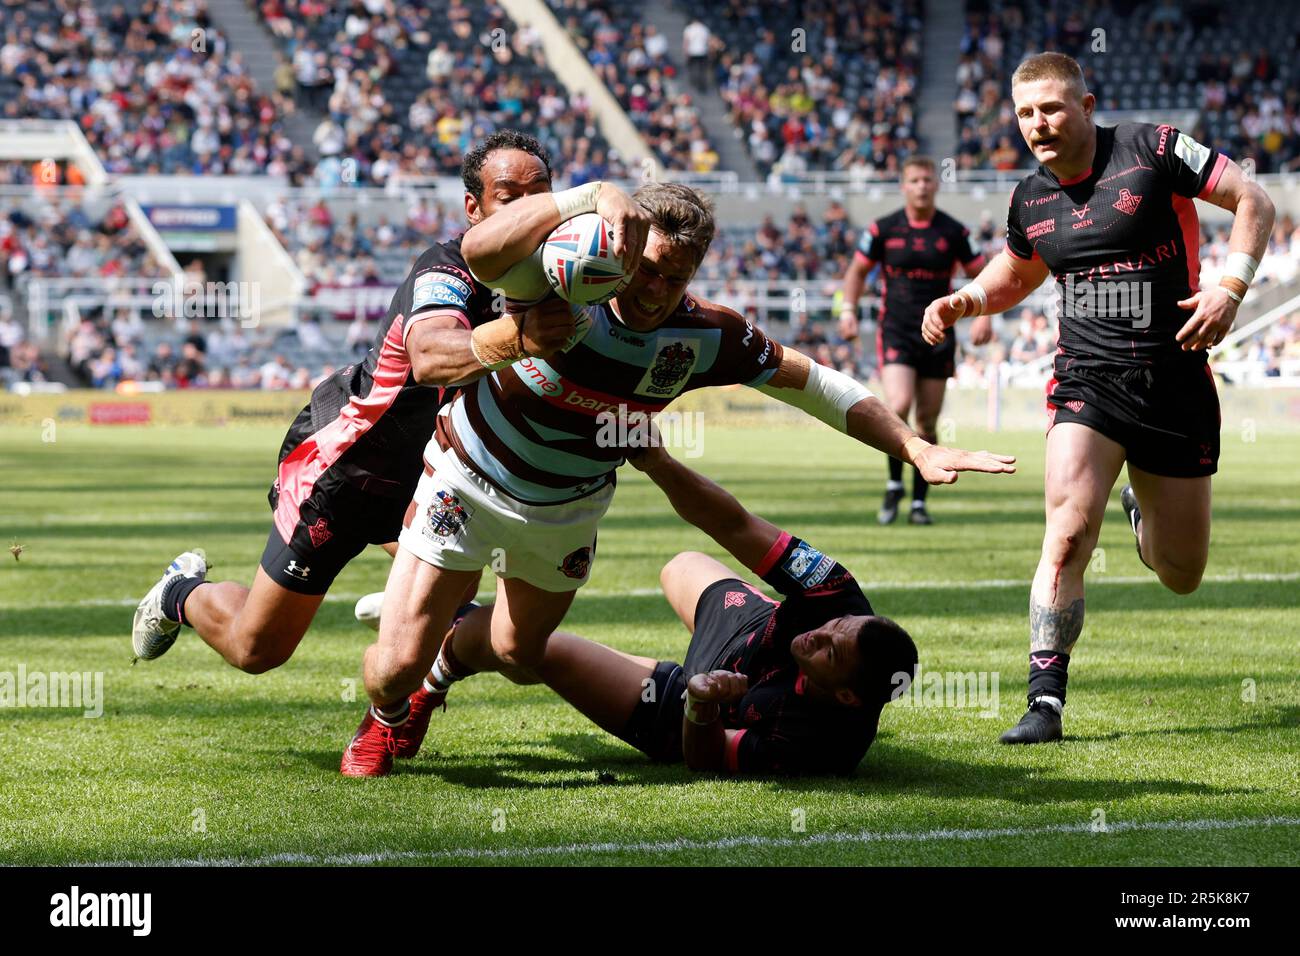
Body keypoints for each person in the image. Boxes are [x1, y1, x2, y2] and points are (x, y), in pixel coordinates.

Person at [339, 180, 1017, 777]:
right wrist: (586, 194)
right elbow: (477, 250)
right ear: (626, 251)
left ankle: (438, 671)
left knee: (519, 655)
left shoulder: (705, 336)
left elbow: (817, 385)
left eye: (679, 277)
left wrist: (911, 446)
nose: (658, 293)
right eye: (651, 271)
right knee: (391, 666)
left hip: (567, 509)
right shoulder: (556, 279)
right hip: (469, 479)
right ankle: (392, 709)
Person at [130, 131, 650, 674]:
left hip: (431, 475)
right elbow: (429, 357)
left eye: (539, 192)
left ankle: (410, 635)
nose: (527, 209)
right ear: (474, 209)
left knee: (465, 597)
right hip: (349, 466)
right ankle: (179, 593)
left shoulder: (561, 274)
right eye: (508, 197)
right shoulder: (445, 267)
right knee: (255, 650)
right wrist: (521, 335)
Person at [922, 52, 1274, 744]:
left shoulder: (1155, 149)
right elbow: (1016, 273)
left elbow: (1253, 201)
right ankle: (1044, 701)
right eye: (1025, 113)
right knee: (1067, 535)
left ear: (1086, 105)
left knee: (1181, 574)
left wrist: (1229, 290)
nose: (1038, 124)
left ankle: (1144, 516)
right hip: (1087, 381)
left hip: (1175, 383)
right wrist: (966, 298)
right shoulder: (1031, 197)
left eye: (1051, 108)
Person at [485, 436, 919, 775]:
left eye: (830, 651)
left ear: (846, 695)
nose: (818, 633)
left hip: (695, 701)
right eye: (836, 625)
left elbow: (705, 759)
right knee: (681, 564)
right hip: (749, 627)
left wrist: (702, 703)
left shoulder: (818, 745)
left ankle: (445, 657)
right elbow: (736, 525)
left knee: (535, 649)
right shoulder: (836, 590)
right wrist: (660, 464)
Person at [839, 156, 990, 525]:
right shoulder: (883, 229)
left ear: (936, 185)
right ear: (904, 186)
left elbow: (981, 274)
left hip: (939, 332)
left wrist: (984, 315)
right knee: (899, 405)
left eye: (927, 180)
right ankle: (894, 485)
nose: (922, 185)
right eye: (915, 180)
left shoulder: (953, 232)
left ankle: (919, 502)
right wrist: (847, 310)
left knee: (926, 419)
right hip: (897, 329)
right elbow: (857, 270)